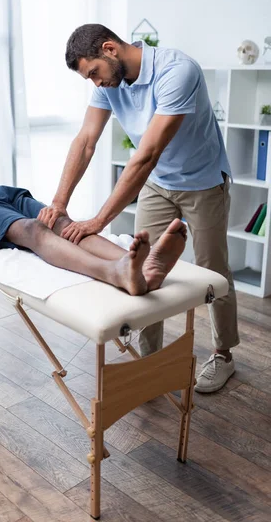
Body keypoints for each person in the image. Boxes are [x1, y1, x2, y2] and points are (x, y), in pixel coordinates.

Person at [37, 24, 238, 393]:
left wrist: (98, 221)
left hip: (203, 182)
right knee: (144, 268)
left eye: (93, 73)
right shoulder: (109, 84)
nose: (95, 83)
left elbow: (146, 154)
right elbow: (85, 141)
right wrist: (59, 203)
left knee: (213, 271)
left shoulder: (177, 71)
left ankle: (223, 354)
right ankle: (150, 361)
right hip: (157, 184)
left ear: (110, 49)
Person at [0, 170, 187, 297]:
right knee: (33, 230)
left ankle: (139, 266)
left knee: (65, 223)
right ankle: (114, 272)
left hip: (4, 192)